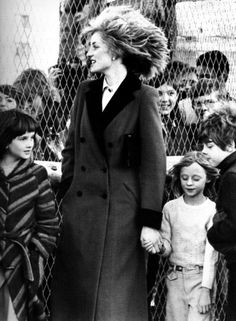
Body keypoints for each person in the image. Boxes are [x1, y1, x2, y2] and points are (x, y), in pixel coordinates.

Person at [50, 5, 168, 321]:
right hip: (79, 214)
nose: (87, 53)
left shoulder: (144, 97)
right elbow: (71, 150)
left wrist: (150, 221)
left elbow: (154, 165)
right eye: (87, 46)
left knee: (114, 304)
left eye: (95, 46)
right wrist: (66, 196)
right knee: (75, 302)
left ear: (116, 51)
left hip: (122, 217)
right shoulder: (84, 91)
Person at [0, 109, 59, 321]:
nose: (30, 143)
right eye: (22, 138)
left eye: (32, 137)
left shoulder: (36, 175)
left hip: (20, 262)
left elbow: (49, 223)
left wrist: (36, 255)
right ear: (6, 140)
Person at [157, 151, 218, 321]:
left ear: (208, 178)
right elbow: (167, 247)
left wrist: (206, 289)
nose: (189, 183)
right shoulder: (170, 208)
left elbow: (211, 255)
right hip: (174, 278)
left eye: (196, 178)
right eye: (184, 178)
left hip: (200, 279)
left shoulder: (211, 210)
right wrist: (159, 246)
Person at [199, 105, 236, 321]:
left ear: (230, 144)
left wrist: (213, 230)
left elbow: (232, 224)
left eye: (210, 146)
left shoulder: (230, 177)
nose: (204, 151)